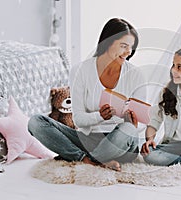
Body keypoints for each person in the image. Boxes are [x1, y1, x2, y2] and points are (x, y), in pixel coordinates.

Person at [28, 18, 146, 171]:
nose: (128, 52)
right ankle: (90, 160)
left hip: (121, 142)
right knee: (35, 122)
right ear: (108, 42)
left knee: (127, 130)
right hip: (88, 139)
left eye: (131, 47)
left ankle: (81, 156)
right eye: (124, 46)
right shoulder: (80, 71)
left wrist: (133, 123)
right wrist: (100, 116)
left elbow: (141, 122)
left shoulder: (136, 75)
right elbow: (79, 120)